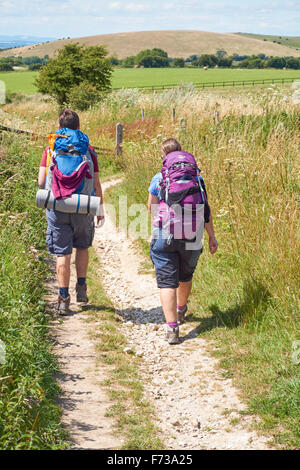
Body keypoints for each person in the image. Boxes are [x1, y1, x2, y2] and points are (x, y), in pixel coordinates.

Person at [148, 138, 218, 344]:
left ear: (164, 156)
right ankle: (180, 310)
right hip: (193, 232)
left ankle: (172, 329)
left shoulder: (158, 178)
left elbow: (151, 206)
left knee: (166, 281)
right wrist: (212, 235)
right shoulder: (197, 178)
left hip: (166, 233)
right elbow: (205, 207)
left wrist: (158, 224)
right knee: (185, 275)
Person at [38, 108, 104, 315]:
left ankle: (63, 298)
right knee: (82, 247)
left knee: (62, 253)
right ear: (78, 127)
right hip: (83, 206)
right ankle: (81, 289)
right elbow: (96, 182)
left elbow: (41, 182)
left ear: (59, 127)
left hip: (57, 206)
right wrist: (99, 207)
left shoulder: (50, 148)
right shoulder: (88, 149)